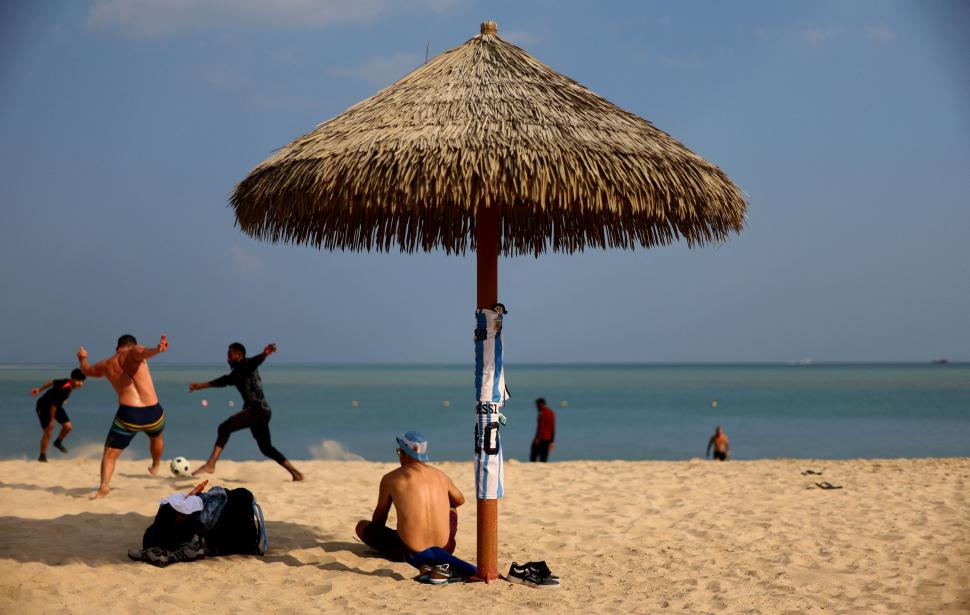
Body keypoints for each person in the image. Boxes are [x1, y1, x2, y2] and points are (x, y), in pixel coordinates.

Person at [355, 431, 477, 583]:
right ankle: (435, 555)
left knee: (362, 526)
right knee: (452, 506)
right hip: (446, 547)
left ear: (404, 454)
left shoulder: (390, 479)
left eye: (399, 451)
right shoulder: (440, 475)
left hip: (407, 551)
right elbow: (459, 500)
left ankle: (424, 559)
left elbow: (379, 519)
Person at [188, 342, 303, 481]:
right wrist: (200, 386)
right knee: (266, 448)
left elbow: (256, 361)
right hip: (263, 412)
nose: (227, 358)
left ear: (239, 355)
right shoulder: (237, 373)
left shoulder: (246, 365)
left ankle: (211, 464)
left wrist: (265, 353)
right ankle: (295, 473)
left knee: (224, 427)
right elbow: (223, 381)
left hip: (257, 410)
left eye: (230, 355)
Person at [78, 334, 169, 499]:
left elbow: (87, 370)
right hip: (153, 412)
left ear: (117, 347)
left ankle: (104, 486)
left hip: (129, 414)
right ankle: (155, 465)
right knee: (157, 436)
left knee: (110, 453)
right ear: (131, 345)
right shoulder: (133, 352)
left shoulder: (106, 364)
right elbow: (141, 351)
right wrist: (157, 349)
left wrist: (82, 358)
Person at [30, 368, 86, 462]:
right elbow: (53, 405)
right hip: (43, 407)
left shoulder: (66, 381)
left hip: (55, 405)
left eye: (82, 381)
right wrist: (52, 420)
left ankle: (58, 442)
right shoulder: (65, 389)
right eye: (78, 380)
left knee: (68, 427)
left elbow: (51, 382)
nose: (81, 383)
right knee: (48, 431)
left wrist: (39, 389)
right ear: (72, 379)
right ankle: (42, 456)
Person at [530, 397, 556, 462]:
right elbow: (553, 428)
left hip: (541, 438)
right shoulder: (551, 413)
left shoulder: (542, 413)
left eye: (537, 405)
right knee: (544, 457)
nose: (536, 407)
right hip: (548, 439)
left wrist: (537, 439)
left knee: (533, 456)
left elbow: (540, 427)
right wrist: (552, 441)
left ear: (541, 404)